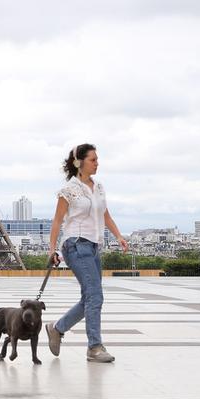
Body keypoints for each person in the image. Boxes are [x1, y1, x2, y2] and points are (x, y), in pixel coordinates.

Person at [45, 143, 128, 363]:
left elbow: (105, 215)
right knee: (95, 296)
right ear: (79, 163)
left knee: (89, 298)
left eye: (97, 159)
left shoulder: (98, 187)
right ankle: (94, 347)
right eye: (93, 159)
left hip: (93, 246)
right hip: (75, 245)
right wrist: (52, 249)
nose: (97, 163)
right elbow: (57, 221)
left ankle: (57, 328)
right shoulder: (69, 191)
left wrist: (119, 236)